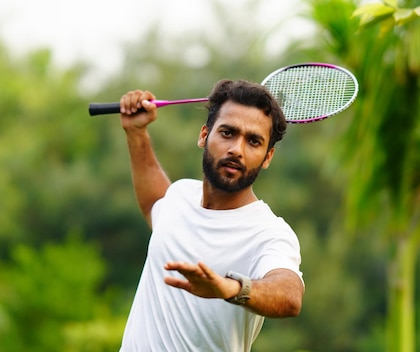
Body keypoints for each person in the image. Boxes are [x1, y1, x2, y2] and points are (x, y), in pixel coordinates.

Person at [118, 79, 304, 351]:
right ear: (204, 134)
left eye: (253, 141)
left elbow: (289, 295)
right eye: (228, 133)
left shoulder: (269, 232)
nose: (237, 150)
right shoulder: (180, 196)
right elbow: (154, 202)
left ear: (267, 157)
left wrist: (231, 288)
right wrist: (136, 133)